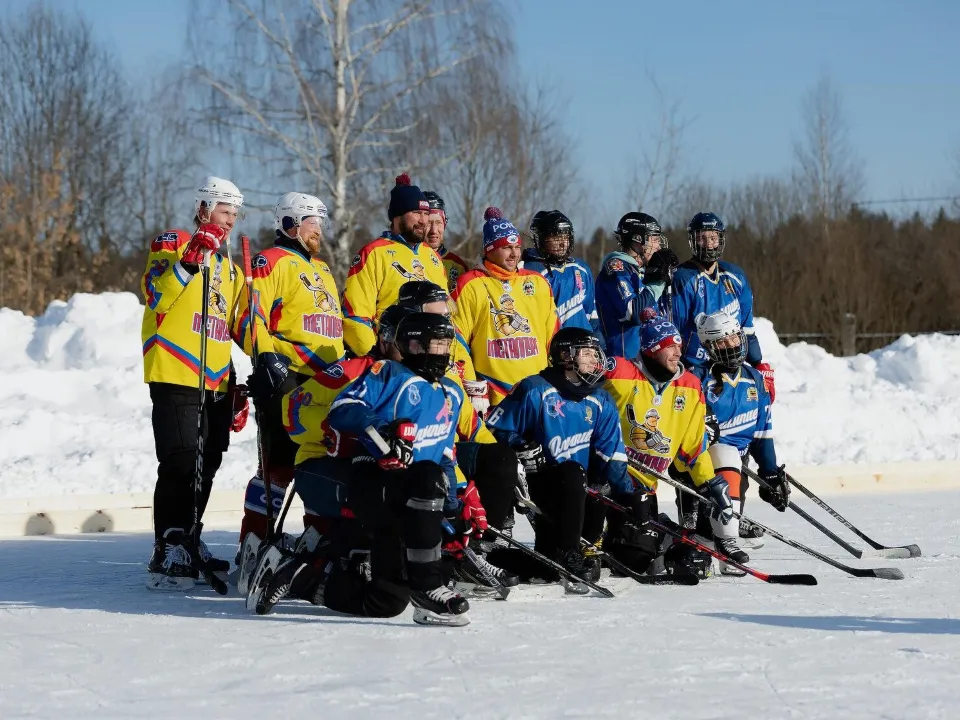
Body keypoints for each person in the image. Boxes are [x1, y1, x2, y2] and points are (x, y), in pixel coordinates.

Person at [248, 313, 475, 626]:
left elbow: (444, 457)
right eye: (436, 344)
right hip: (373, 481)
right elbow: (344, 409)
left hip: (408, 495)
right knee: (425, 477)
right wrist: (381, 431)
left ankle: (298, 577)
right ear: (413, 345)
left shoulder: (449, 391)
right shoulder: (387, 374)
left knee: (388, 601)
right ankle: (425, 586)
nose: (443, 352)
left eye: (445, 344)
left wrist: (454, 510)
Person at [140, 176, 248, 590]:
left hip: (217, 377)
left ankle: (190, 535)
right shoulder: (173, 242)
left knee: (208, 463)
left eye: (235, 214)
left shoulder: (228, 266)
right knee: (181, 460)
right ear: (203, 208)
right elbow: (156, 293)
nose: (230, 220)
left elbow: (236, 327)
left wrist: (249, 371)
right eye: (224, 211)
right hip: (176, 368)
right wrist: (188, 260)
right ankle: (167, 544)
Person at [234, 192, 344, 554]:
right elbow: (250, 319)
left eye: (320, 224)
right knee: (279, 467)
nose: (320, 231)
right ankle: (255, 542)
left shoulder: (323, 268)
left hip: (327, 381)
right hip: (289, 376)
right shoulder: (271, 261)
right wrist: (266, 358)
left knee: (322, 462)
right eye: (314, 223)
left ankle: (318, 539)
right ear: (291, 224)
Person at [484, 328, 633, 592]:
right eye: (587, 354)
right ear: (565, 356)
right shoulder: (534, 389)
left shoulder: (601, 398)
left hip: (579, 491)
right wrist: (520, 446)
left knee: (548, 567)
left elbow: (613, 455)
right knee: (573, 473)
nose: (594, 361)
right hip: (540, 485)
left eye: (595, 354)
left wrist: (629, 497)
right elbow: (494, 429)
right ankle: (569, 552)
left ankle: (501, 559)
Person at [602, 311, 741, 574]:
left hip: (646, 485)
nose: (678, 353)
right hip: (610, 477)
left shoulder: (689, 385)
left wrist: (710, 482)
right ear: (653, 349)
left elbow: (692, 448)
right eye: (669, 346)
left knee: (636, 557)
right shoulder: (620, 372)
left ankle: (664, 533)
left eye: (678, 346)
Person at [687, 311, 790, 546]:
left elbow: (762, 433)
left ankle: (725, 534)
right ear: (709, 346)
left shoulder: (754, 379)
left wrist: (770, 474)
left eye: (734, 338)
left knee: (726, 524)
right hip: (701, 466)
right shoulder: (698, 379)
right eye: (723, 341)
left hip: (739, 466)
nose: (731, 346)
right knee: (702, 532)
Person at [451, 207, 559, 406]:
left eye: (517, 247)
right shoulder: (470, 284)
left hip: (538, 391)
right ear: (489, 250)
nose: (514, 254)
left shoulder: (537, 282)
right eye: (506, 248)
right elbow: (457, 339)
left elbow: (552, 334)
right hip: (494, 395)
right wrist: (471, 384)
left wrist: (558, 376)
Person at [340, 174, 448, 358]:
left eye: (426, 213)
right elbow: (355, 316)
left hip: (432, 359)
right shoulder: (374, 253)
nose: (424, 221)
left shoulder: (434, 258)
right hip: (392, 357)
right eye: (416, 213)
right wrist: (375, 358)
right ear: (398, 217)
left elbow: (447, 317)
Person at [671, 212, 775, 400]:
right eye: (702, 238)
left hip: (731, 364)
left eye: (713, 237)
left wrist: (758, 364)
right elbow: (674, 332)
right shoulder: (682, 279)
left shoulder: (736, 277)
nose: (709, 243)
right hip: (697, 368)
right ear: (693, 241)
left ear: (721, 239)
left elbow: (747, 328)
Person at [595, 212, 679, 358]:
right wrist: (657, 283)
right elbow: (633, 312)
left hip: (648, 361)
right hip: (624, 362)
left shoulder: (640, 271)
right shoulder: (616, 268)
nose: (658, 246)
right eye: (654, 239)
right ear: (638, 240)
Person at [521, 210, 601, 336]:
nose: (563, 243)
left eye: (566, 237)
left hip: (583, 346)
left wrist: (597, 345)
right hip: (550, 348)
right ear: (541, 238)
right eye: (557, 238)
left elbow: (592, 315)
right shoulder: (527, 271)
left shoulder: (581, 268)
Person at [422, 191, 469, 293]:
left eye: (438, 223)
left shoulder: (458, 266)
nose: (434, 230)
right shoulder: (408, 259)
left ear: (444, 225)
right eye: (428, 223)